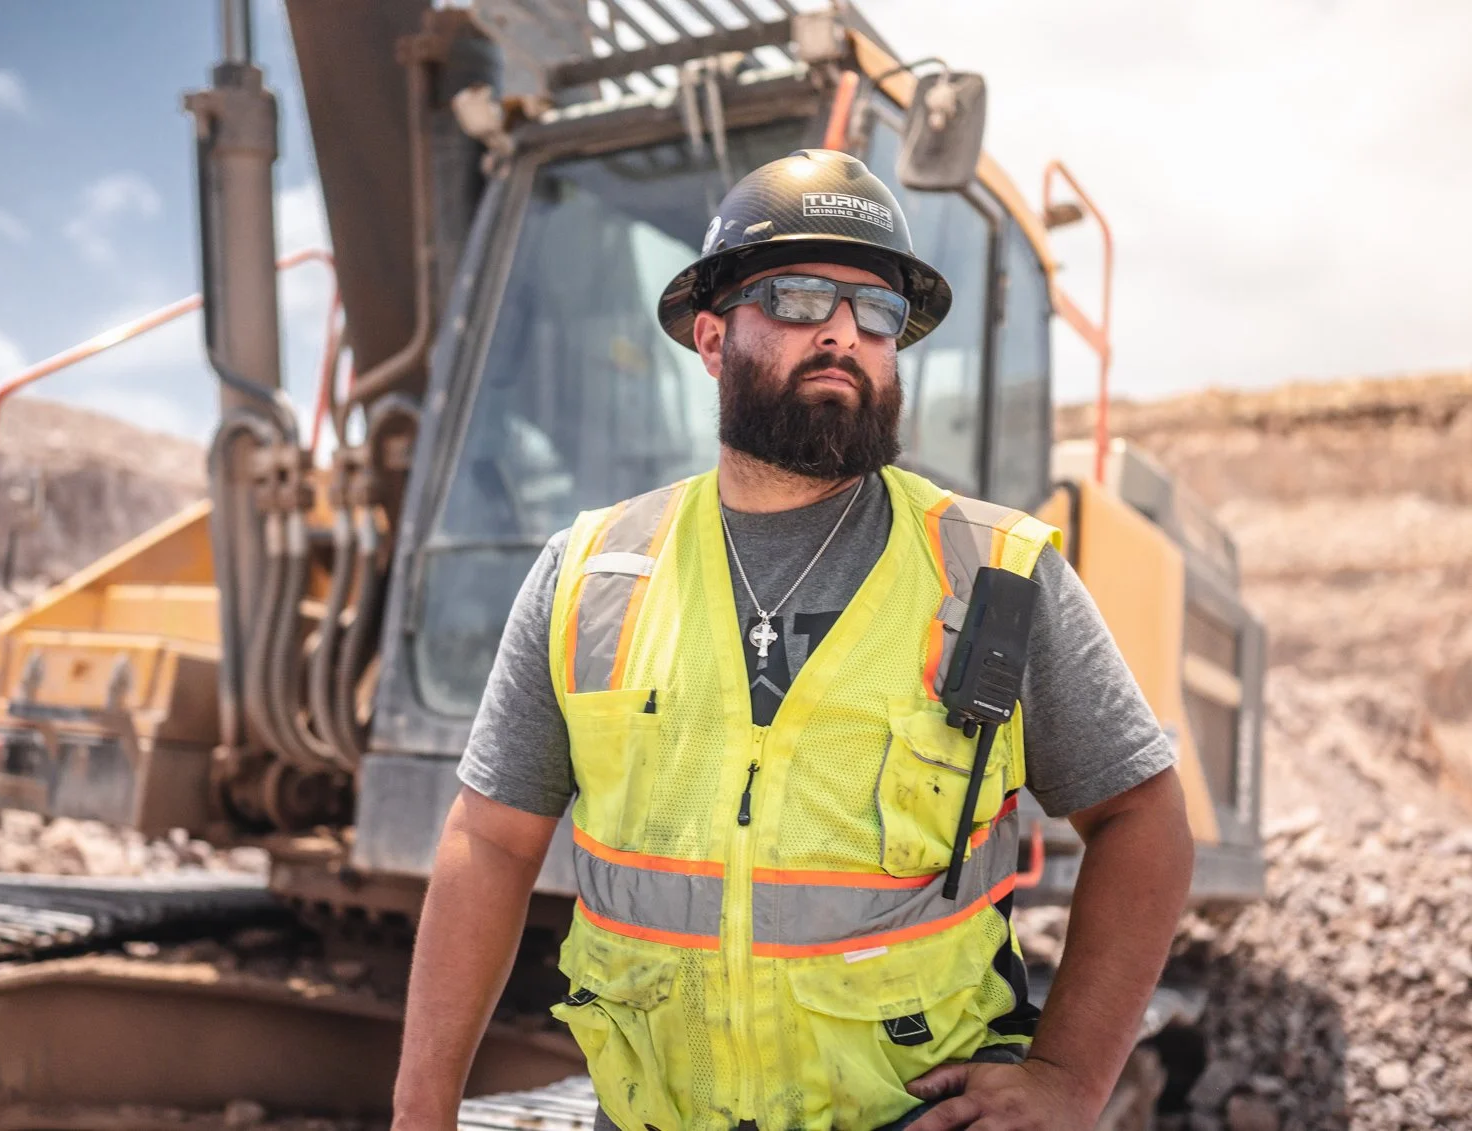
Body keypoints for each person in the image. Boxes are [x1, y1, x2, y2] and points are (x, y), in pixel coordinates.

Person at [391, 149, 1193, 1131]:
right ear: (712, 336)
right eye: (802, 296)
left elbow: (1142, 816)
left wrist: (1068, 1076)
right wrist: (421, 1110)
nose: (843, 334)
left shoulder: (996, 574)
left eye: (877, 314)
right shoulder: (590, 574)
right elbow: (487, 839)